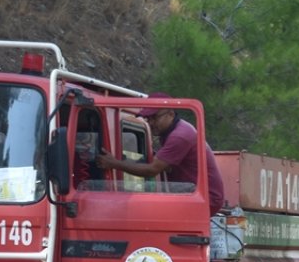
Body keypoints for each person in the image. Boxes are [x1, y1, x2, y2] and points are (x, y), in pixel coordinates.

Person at [96, 92, 225, 215]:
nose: (151, 123)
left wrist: (114, 163)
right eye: (148, 118)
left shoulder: (179, 136)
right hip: (193, 192)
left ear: (170, 113)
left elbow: (152, 170)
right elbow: (164, 165)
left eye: (155, 117)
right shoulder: (170, 132)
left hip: (207, 198)